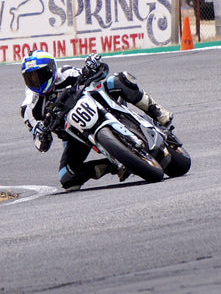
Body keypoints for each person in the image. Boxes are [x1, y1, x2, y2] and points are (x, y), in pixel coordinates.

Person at [19, 51, 173, 191]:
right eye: (30, 78)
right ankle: (112, 165)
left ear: (51, 69)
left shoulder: (65, 74)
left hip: (99, 103)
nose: (36, 82)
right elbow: (40, 144)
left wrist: (92, 67)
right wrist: (41, 135)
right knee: (67, 178)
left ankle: (157, 111)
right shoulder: (29, 108)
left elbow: (96, 75)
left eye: (39, 75)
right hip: (74, 136)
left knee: (117, 80)